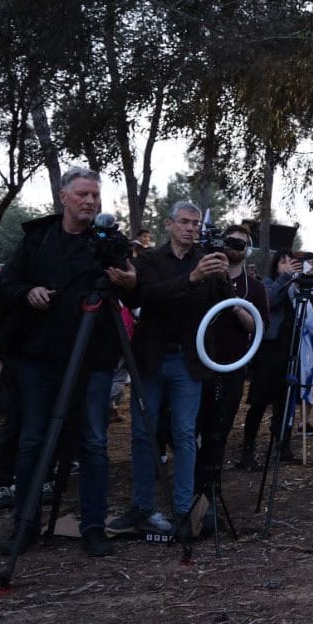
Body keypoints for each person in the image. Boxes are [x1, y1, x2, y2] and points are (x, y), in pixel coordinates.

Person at [0, 168, 132, 559]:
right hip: (41, 356)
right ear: (63, 197)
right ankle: (25, 524)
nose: (90, 201)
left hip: (94, 356)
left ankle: (92, 526)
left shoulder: (108, 242)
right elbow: (7, 285)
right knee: (34, 438)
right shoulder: (37, 238)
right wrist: (29, 291)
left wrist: (124, 276)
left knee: (93, 440)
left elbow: (130, 282)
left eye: (95, 195)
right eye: (83, 194)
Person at [109, 201, 231, 539]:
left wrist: (222, 278)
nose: (191, 228)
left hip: (187, 361)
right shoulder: (147, 259)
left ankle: (183, 507)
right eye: (184, 222)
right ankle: (142, 505)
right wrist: (192, 278)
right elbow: (145, 297)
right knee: (143, 434)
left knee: (184, 434)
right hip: (150, 359)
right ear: (169, 224)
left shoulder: (205, 261)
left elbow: (224, 306)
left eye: (195, 223)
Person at [193, 227, 268, 526]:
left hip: (231, 366)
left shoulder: (254, 287)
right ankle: (189, 493)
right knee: (187, 431)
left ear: (248, 249)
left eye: (241, 242)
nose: (234, 246)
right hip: (194, 364)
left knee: (218, 432)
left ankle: (209, 497)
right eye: (229, 241)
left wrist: (232, 296)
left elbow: (255, 326)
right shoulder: (201, 273)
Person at [237, 251, 301, 470]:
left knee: (286, 402)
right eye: (283, 261)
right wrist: (285, 279)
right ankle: (247, 451)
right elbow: (269, 301)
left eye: (291, 262)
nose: (287, 265)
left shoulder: (297, 286)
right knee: (260, 401)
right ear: (275, 265)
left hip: (290, 348)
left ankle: (283, 447)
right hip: (269, 350)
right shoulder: (266, 283)